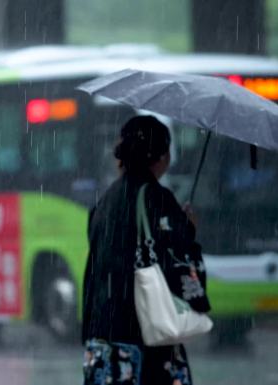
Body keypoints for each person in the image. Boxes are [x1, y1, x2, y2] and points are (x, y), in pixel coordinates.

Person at [82, 115, 211, 385]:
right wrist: (188, 232)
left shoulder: (104, 202)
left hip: (102, 341)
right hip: (146, 338)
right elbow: (180, 268)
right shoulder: (158, 199)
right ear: (162, 157)